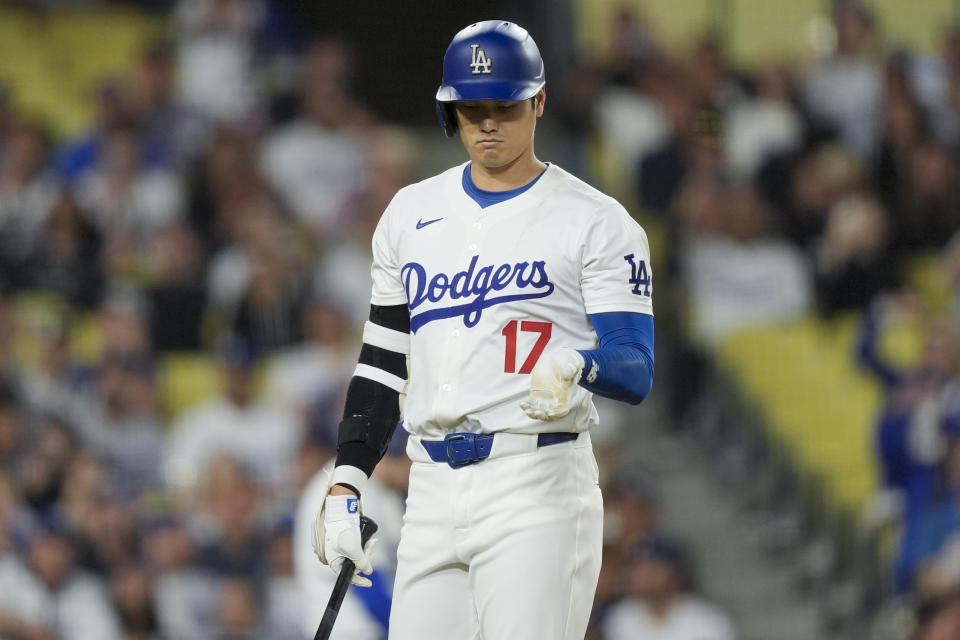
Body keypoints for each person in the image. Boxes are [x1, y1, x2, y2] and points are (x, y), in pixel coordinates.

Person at [310, 20, 656, 640]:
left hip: (537, 481)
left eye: (506, 105)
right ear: (452, 112)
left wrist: (580, 362)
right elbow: (383, 363)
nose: (489, 122)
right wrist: (347, 480)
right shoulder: (410, 214)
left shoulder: (597, 222)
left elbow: (635, 365)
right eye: (473, 108)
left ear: (539, 102)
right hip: (431, 486)